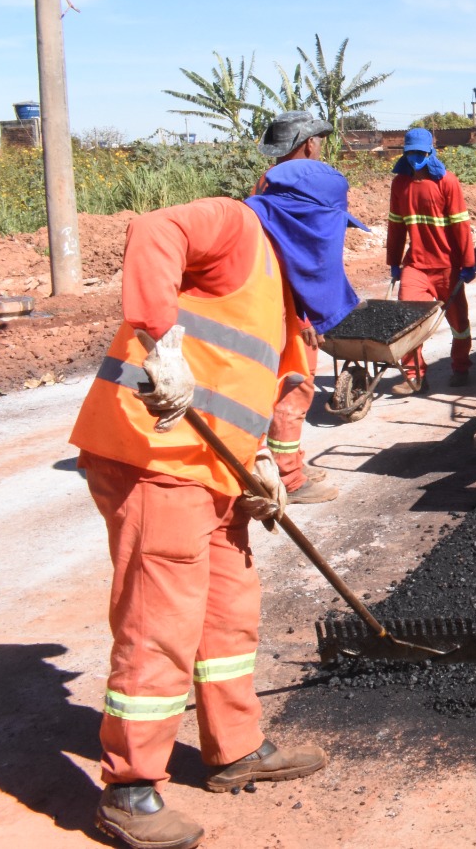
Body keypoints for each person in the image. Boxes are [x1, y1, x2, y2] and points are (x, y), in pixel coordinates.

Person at [70, 158, 365, 849]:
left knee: (230, 608)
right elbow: (154, 228)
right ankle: (131, 788)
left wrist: (258, 458)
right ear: (307, 216)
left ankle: (233, 749)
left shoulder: (279, 288)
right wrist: (159, 339)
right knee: (160, 616)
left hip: (214, 468)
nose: (338, 245)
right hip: (154, 458)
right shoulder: (237, 228)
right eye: (335, 229)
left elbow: (239, 382)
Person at [253, 111, 338, 504]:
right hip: (290, 307)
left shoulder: (267, 183)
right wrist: (308, 315)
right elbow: (306, 258)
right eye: (317, 141)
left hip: (269, 301)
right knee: (296, 386)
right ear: (307, 145)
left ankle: (289, 462)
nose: (319, 147)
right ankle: (289, 479)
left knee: (276, 385)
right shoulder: (306, 188)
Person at [387, 128, 476, 389]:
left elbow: (461, 226)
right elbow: (395, 226)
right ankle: (415, 376)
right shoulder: (400, 184)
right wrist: (394, 261)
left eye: (420, 152)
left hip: (448, 266)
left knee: (460, 324)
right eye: (411, 152)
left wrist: (468, 263)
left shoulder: (447, 182)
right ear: (404, 153)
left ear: (430, 152)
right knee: (408, 322)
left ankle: (461, 367)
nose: (415, 157)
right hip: (415, 266)